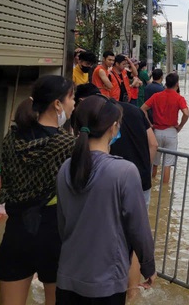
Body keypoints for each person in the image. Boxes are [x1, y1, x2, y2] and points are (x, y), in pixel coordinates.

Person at [56, 94, 156, 304]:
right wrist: (148, 266)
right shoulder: (124, 171)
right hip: (106, 284)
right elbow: (139, 228)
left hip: (67, 276)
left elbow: (63, 224)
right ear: (113, 127)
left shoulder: (66, 167)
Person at [0, 75, 76, 305]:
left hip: (16, 232)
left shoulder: (11, 138)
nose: (74, 103)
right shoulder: (67, 145)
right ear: (57, 104)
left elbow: (7, 179)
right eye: (71, 97)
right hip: (53, 233)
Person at [141, 73, 189, 184]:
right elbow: (186, 113)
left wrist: (149, 124)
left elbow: (143, 109)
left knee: (154, 162)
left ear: (165, 83)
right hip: (171, 132)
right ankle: (164, 191)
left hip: (156, 132)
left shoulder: (157, 96)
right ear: (177, 84)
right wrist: (180, 126)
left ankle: (151, 184)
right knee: (167, 164)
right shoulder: (179, 98)